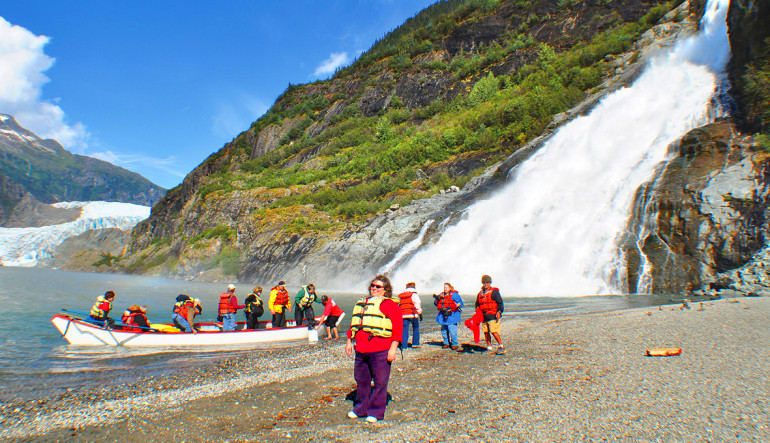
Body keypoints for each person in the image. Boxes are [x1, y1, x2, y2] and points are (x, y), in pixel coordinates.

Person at [345, 275, 403, 423]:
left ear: (386, 290)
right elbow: (354, 324)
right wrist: (348, 341)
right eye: (372, 285)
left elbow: (398, 327)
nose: (374, 288)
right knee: (361, 380)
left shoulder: (390, 305)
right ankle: (360, 408)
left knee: (380, 381)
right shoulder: (362, 304)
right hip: (361, 348)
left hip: (381, 349)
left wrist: (393, 349)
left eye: (378, 287)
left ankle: (376, 412)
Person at [476, 274, 505, 355]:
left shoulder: (494, 292)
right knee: (486, 332)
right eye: (484, 283)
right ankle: (489, 347)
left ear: (490, 283)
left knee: (494, 332)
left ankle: (501, 346)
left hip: (493, 315)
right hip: (484, 316)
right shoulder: (480, 293)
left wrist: (499, 312)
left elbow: (500, 303)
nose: (486, 284)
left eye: (487, 283)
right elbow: (477, 304)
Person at [434, 282, 463, 351]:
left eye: (446, 287)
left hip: (452, 315)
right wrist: (436, 300)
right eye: (444, 288)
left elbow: (460, 303)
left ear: (450, 288)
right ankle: (446, 343)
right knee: (444, 330)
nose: (445, 289)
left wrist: (456, 306)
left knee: (452, 329)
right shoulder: (441, 295)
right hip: (443, 314)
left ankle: (454, 344)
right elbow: (435, 303)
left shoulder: (454, 295)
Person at [397, 282, 423, 349]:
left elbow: (400, 305)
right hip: (412, 314)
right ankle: (415, 344)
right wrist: (420, 312)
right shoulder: (414, 295)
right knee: (415, 328)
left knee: (404, 330)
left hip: (404, 315)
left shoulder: (402, 296)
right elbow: (417, 304)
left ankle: (404, 345)